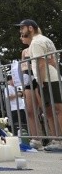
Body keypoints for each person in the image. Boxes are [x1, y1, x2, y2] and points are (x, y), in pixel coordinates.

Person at [20, 19, 62, 148]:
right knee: (54, 110)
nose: (21, 31)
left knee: (58, 110)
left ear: (30, 28)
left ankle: (59, 140)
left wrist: (40, 82)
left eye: (22, 28)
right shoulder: (44, 39)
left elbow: (41, 63)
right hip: (52, 77)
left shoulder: (36, 42)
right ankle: (56, 140)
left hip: (48, 79)